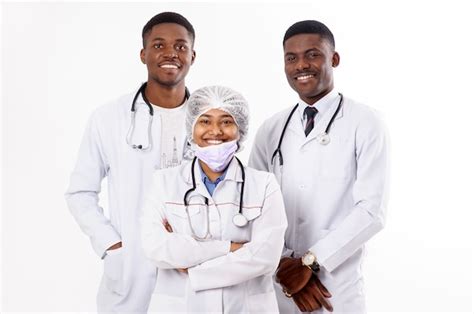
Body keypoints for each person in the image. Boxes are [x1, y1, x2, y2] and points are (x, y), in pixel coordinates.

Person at [249, 20, 389, 313]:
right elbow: (253, 207)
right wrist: (287, 266)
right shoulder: (271, 129)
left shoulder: (365, 122)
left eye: (312, 54)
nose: (302, 65)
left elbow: (371, 210)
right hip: (280, 282)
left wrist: (311, 263)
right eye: (291, 58)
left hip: (334, 288)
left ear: (334, 59)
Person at [65, 12, 196, 313]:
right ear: (143, 54)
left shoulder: (208, 120)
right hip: (131, 272)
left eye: (180, 46)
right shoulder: (109, 118)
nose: (170, 54)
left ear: (192, 54)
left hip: (191, 271)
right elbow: (80, 192)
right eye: (159, 45)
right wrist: (113, 247)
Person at [141, 86, 288, 313]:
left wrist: (194, 270)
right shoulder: (164, 183)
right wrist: (229, 248)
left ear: (240, 129)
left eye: (227, 121)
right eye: (205, 121)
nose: (215, 131)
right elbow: (156, 247)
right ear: (191, 127)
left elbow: (265, 257)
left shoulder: (264, 185)